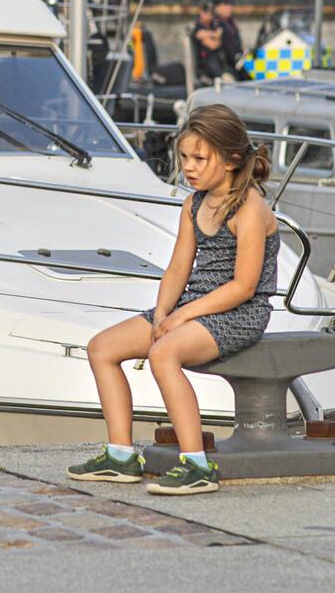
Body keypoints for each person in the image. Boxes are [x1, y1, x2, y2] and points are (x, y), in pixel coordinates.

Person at [68, 104, 278, 495]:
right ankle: (120, 455)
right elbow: (178, 269)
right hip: (193, 307)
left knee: (164, 354)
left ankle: (196, 464)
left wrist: (182, 319)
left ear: (232, 159)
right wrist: (163, 312)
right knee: (102, 348)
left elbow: (244, 286)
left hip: (240, 313)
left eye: (200, 158)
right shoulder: (194, 205)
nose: (190, 167)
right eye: (184, 158)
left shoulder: (250, 208)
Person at [189, 4, 227, 81]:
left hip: (218, 62)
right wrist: (215, 34)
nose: (210, 16)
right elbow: (213, 45)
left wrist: (208, 34)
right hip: (205, 66)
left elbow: (218, 41)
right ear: (200, 12)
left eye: (211, 14)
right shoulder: (197, 27)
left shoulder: (213, 25)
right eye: (207, 13)